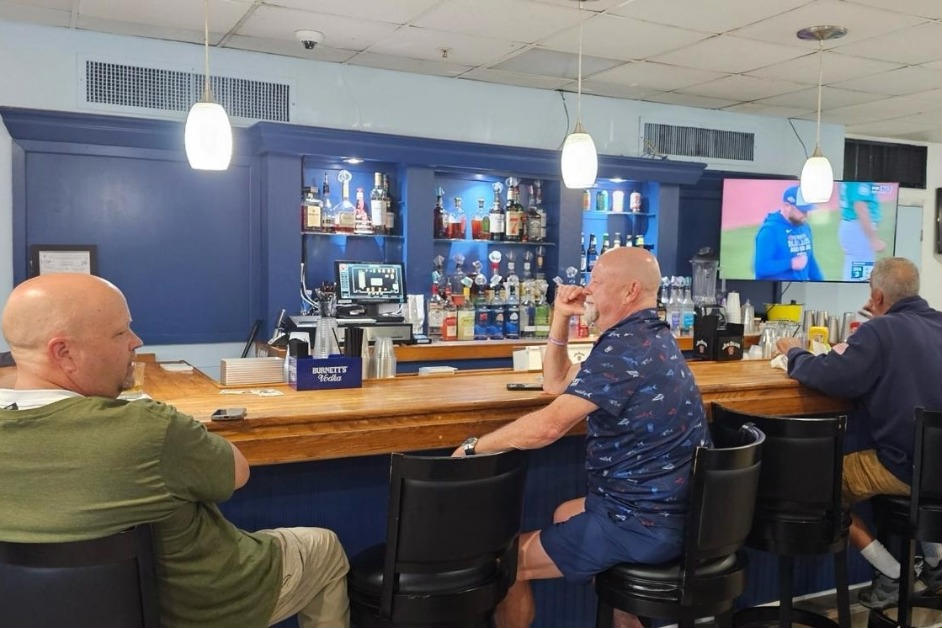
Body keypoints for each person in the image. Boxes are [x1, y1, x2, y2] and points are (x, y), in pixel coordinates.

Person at [0, 274, 349, 628]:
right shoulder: (146, 428)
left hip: (40, 612)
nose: (136, 342)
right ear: (64, 353)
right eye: (120, 333)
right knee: (323, 546)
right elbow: (236, 473)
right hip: (199, 609)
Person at [453, 247, 711, 628]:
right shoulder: (645, 337)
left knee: (506, 564)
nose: (587, 290)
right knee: (564, 514)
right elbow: (554, 383)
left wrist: (475, 448)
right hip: (672, 512)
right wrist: (559, 317)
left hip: (642, 523)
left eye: (597, 282)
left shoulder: (625, 349)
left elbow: (549, 426)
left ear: (630, 291)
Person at [776, 257, 942, 608]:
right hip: (935, 470)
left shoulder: (881, 332)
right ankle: (936, 563)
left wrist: (794, 354)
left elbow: (832, 376)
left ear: (877, 296)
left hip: (903, 469)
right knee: (927, 479)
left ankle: (892, 574)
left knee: (822, 483)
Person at [754, 185, 824, 281]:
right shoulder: (769, 231)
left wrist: (821, 282)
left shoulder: (804, 227)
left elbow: (810, 260)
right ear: (787, 206)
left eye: (807, 210)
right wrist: (790, 263)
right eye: (802, 210)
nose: (806, 215)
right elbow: (761, 268)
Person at [839, 181, 886, 281]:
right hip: (859, 229)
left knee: (855, 272)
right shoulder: (860, 177)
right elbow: (860, 207)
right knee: (861, 277)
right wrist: (874, 240)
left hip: (854, 226)